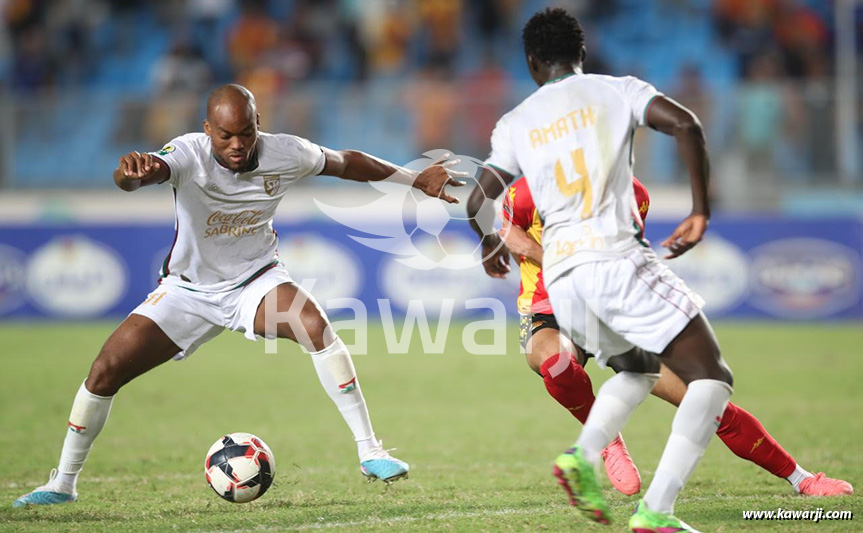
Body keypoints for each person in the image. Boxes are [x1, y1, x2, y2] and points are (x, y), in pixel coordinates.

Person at [14, 84, 467, 507]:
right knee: (104, 371)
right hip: (187, 292)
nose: (237, 144)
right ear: (208, 129)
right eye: (226, 134)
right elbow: (142, 173)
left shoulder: (286, 151)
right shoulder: (188, 152)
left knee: (315, 327)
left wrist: (414, 180)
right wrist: (129, 174)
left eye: (246, 132)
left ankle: (370, 450)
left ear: (257, 124)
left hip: (255, 280)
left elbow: (347, 161)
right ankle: (63, 483)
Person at [467, 8, 732, 531]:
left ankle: (582, 455)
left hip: (563, 280)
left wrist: (489, 242)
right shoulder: (619, 90)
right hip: (615, 255)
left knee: (639, 369)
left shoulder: (517, 121)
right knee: (713, 378)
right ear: (582, 55)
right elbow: (686, 124)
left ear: (531, 63)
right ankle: (656, 511)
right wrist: (701, 209)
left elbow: (478, 196)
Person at [501, 176, 852, 499]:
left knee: (704, 402)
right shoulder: (532, 188)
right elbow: (505, 229)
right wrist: (548, 258)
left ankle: (802, 479)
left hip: (612, 314)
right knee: (557, 364)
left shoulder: (632, 194)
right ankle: (609, 441)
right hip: (547, 312)